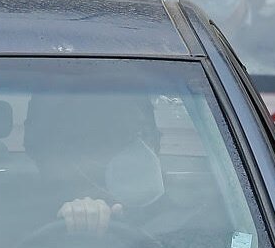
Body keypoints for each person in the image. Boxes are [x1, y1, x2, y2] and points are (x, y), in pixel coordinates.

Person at [23, 92, 169, 235]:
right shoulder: (24, 212)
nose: (142, 148)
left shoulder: (178, 213)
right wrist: (79, 219)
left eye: (146, 133)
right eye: (123, 136)